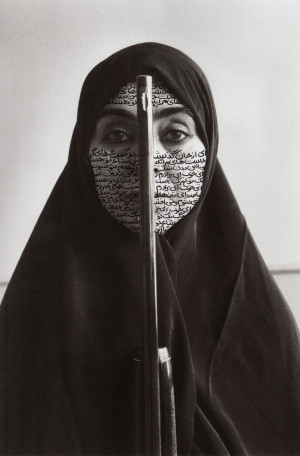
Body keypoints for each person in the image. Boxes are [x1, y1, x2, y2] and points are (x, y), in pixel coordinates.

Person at [0, 42, 299, 456]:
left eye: (175, 134)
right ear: (85, 153)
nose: (148, 160)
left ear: (208, 147)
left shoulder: (255, 318)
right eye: (118, 135)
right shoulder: (32, 315)